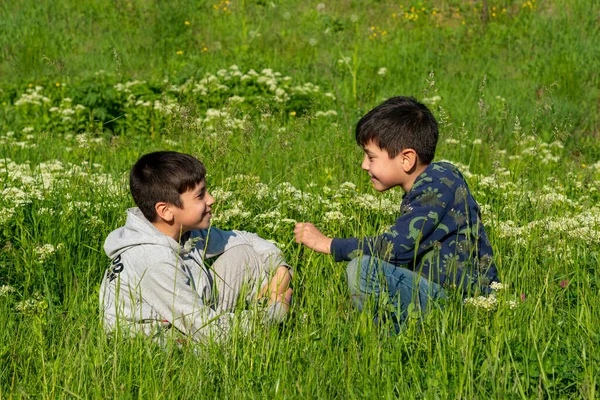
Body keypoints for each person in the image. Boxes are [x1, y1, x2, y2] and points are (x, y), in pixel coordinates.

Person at [294, 96, 498, 332]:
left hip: (461, 305)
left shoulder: (439, 182)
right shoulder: (431, 185)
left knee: (363, 270)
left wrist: (330, 244)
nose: (364, 165)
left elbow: (395, 248)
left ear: (407, 159)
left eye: (371, 157)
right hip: (451, 298)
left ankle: (389, 343)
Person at [100, 151, 293, 344]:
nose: (211, 200)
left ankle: (264, 321)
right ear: (166, 211)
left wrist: (281, 270)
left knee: (246, 254)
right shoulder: (154, 260)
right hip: (158, 344)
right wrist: (276, 312)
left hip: (184, 318)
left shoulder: (183, 231)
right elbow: (209, 331)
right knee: (210, 343)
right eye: (200, 195)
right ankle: (270, 327)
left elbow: (245, 239)